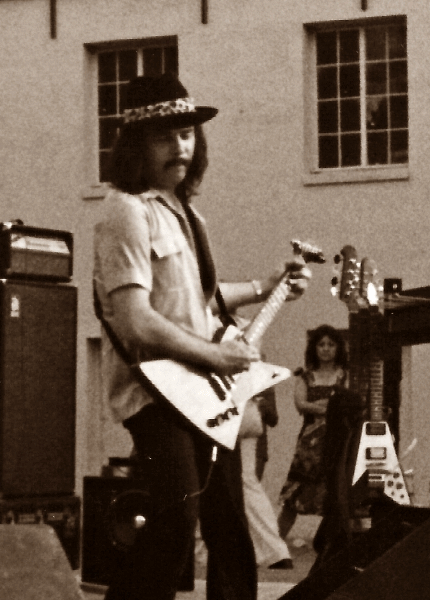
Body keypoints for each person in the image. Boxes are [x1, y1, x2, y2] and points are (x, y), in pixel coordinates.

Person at [92, 72, 312, 600]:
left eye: (188, 133)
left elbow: (199, 301)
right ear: (136, 144)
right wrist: (216, 356)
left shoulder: (186, 213)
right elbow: (136, 320)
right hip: (156, 394)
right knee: (177, 516)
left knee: (229, 523)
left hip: (202, 393)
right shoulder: (126, 209)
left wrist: (267, 286)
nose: (181, 147)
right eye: (165, 136)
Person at [277, 324, 348, 541]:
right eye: (321, 344)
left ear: (338, 348)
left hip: (337, 443)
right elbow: (300, 404)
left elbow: (349, 404)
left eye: (330, 344)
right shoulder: (305, 376)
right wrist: (329, 407)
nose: (325, 349)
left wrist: (318, 405)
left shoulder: (345, 375)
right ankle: (275, 547)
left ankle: (332, 547)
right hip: (308, 447)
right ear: (314, 348)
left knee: (336, 496)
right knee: (293, 499)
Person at [240, 385, 294, 570]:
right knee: (247, 486)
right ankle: (272, 550)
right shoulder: (261, 377)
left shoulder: (260, 381)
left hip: (235, 419)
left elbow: (272, 418)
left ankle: (273, 551)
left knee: (244, 485)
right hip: (245, 420)